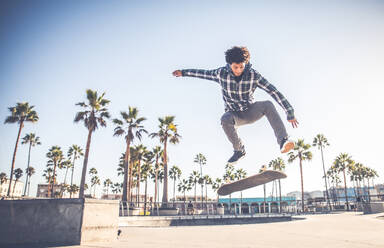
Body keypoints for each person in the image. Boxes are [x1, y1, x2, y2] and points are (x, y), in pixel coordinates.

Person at [173, 46, 299, 165]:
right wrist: (183, 73)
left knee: (268, 104)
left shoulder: (254, 76)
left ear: (246, 64)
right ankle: (239, 150)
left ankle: (283, 140)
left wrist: (289, 111)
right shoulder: (221, 73)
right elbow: (202, 73)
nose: (238, 70)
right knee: (224, 119)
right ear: (229, 65)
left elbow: (273, 91)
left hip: (250, 111)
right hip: (234, 115)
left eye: (241, 67)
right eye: (235, 67)